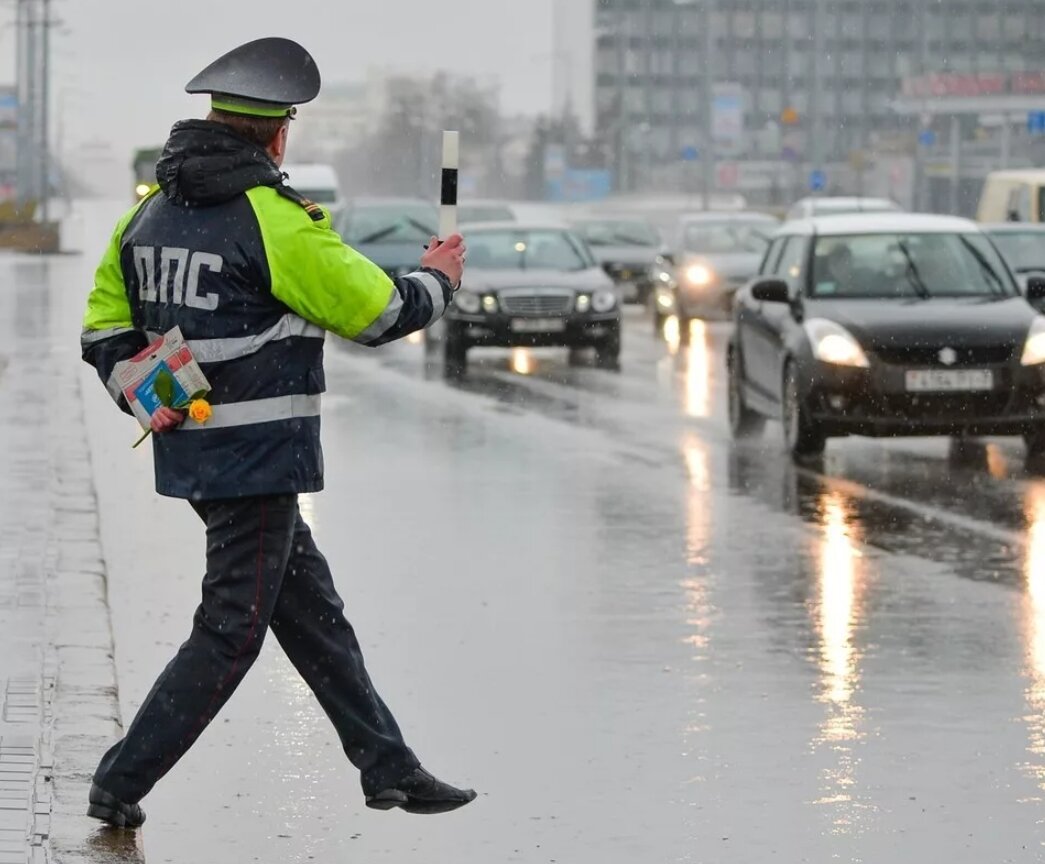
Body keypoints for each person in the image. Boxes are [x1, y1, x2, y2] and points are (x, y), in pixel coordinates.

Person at [80, 37, 476, 828]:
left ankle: (389, 767)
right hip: (255, 460)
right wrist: (439, 276)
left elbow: (103, 326)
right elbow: (380, 312)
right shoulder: (274, 219)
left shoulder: (147, 213)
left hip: (197, 451)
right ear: (277, 133)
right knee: (231, 632)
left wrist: (142, 389)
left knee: (312, 615)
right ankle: (119, 782)